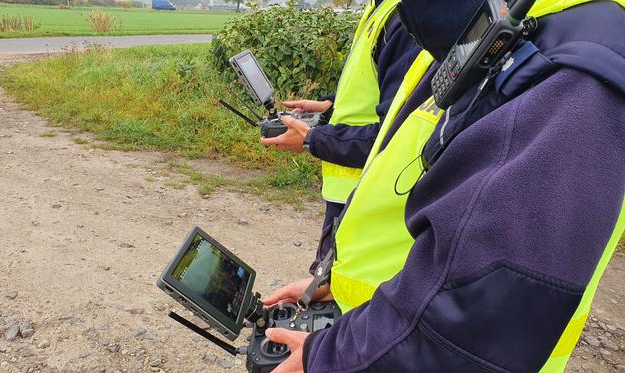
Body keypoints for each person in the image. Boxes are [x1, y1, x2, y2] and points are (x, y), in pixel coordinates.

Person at [263, 0, 625, 371]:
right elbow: (405, 150)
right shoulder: (497, 20)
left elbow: (470, 316)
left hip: (384, 350)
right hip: (373, 329)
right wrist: (335, 280)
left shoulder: (582, 67)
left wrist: (329, 358)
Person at [260, 0, 421, 259]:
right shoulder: (379, 8)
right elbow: (373, 84)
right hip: (347, 194)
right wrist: (329, 105)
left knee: (336, 290)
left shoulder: (403, 19)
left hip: (367, 200)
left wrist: (311, 138)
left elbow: (395, 135)